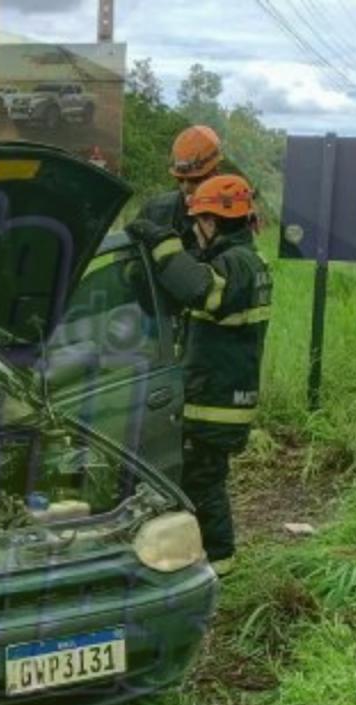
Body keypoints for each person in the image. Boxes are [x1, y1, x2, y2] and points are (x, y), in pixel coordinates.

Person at [128, 175, 272, 572]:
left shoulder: (236, 265)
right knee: (204, 483)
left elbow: (198, 290)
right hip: (222, 398)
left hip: (216, 402)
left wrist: (163, 244)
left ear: (214, 221)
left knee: (202, 487)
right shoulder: (245, 261)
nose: (195, 228)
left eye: (199, 221)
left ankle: (218, 569)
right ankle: (215, 565)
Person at [142, 125, 224, 250]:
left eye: (195, 180)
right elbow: (129, 263)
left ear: (216, 173)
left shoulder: (232, 218)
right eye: (180, 180)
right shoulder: (154, 212)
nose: (185, 188)